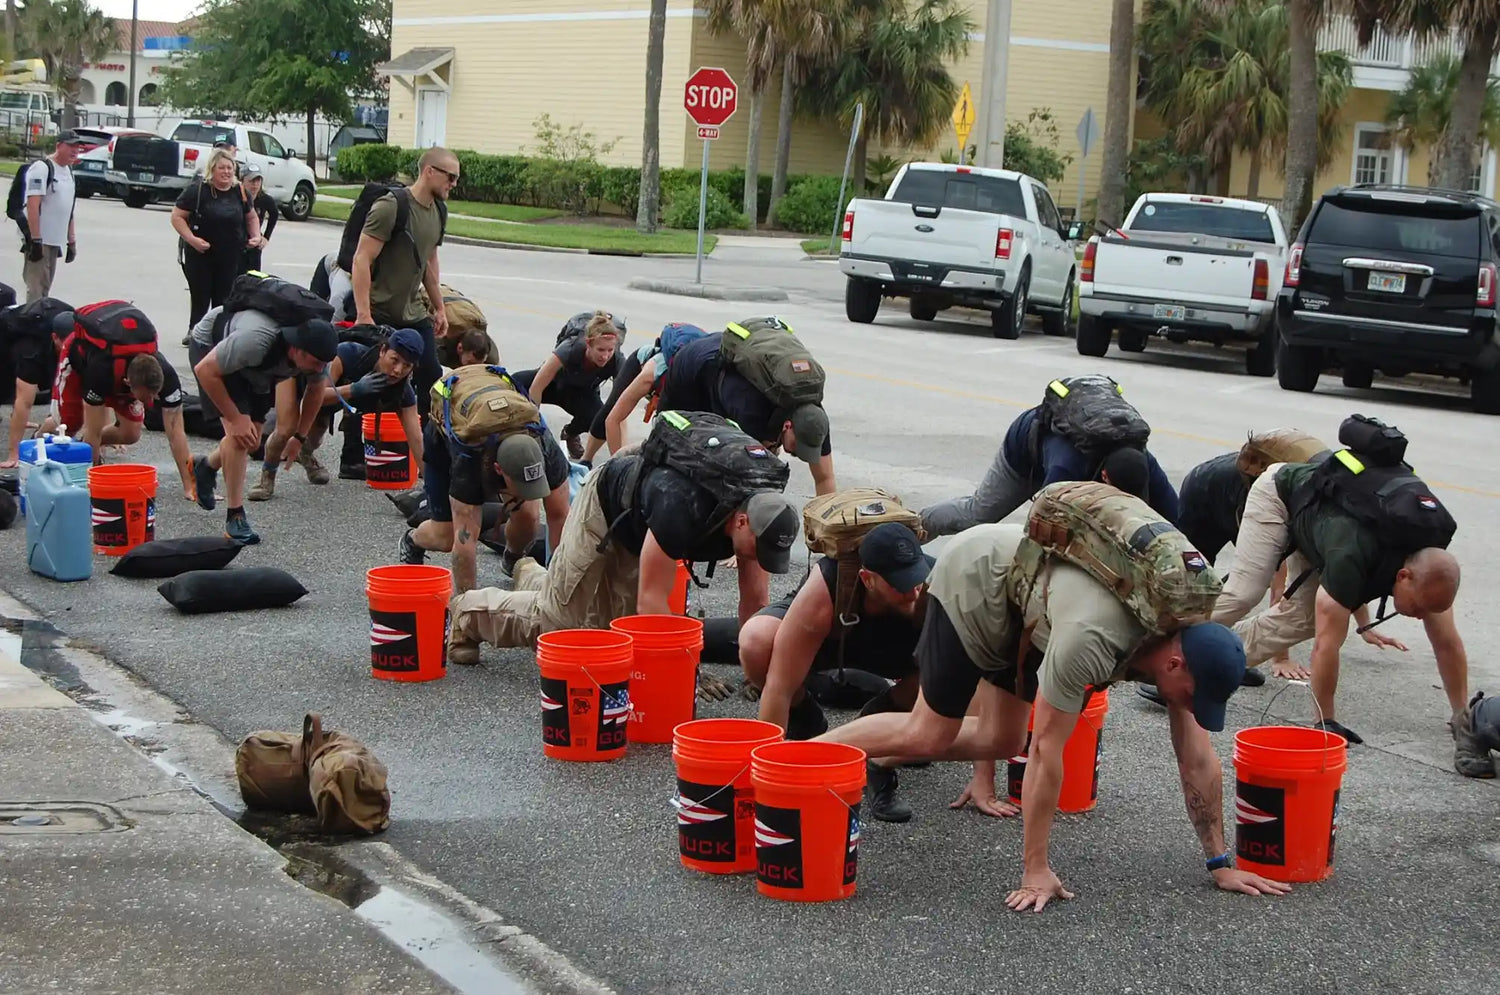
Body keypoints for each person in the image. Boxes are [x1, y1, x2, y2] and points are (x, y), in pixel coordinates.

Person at [814, 522, 1287, 911]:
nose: (1190, 707)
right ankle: (796, 759)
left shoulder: (1185, 632)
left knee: (1003, 740)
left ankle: (869, 755)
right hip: (978, 577)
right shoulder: (1091, 640)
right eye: (1191, 697)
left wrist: (1220, 862)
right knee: (929, 733)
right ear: (1174, 664)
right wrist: (1035, 869)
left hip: (1030, 607)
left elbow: (1198, 759)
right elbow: (1046, 751)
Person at [1207, 431, 1484, 775]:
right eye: (1417, 609)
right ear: (1403, 577)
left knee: (1299, 621)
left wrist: (1463, 718)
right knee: (1244, 593)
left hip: (1329, 519)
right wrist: (1327, 721)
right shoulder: (1352, 554)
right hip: (1282, 494)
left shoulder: (1430, 562)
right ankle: (1164, 630)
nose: (1419, 618)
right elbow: (1327, 645)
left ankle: (1202, 661)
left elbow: (1447, 643)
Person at [447, 412, 800, 664]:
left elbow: (755, 603)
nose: (759, 558)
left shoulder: (762, 512)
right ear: (741, 522)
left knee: (615, 636)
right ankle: (465, 612)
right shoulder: (680, 506)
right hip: (606, 507)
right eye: (758, 549)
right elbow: (652, 605)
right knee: (560, 625)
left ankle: (529, 571)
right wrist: (686, 669)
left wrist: (759, 675)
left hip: (642, 529)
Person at [736, 521, 933, 821]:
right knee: (756, 641)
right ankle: (807, 719)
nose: (913, 593)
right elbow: (778, 687)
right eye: (900, 584)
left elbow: (975, 675)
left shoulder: (935, 586)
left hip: (898, 649)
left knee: (936, 676)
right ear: (868, 579)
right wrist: (767, 782)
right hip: (835, 636)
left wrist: (982, 781)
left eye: (915, 580)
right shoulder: (827, 586)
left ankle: (876, 751)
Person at [920, 376, 1178, 538]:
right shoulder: (1067, 469)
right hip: (1026, 449)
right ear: (1103, 477)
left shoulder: (1144, 461)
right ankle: (913, 526)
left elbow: (1178, 522)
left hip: (1069, 455)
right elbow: (1039, 533)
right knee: (977, 516)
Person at [399, 366, 573, 593]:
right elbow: (465, 545)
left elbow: (559, 516)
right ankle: (413, 540)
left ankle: (513, 558)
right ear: (498, 470)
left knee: (529, 516)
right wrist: (468, 610)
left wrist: (556, 588)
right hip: (450, 431)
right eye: (520, 484)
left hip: (503, 417)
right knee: (447, 535)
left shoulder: (546, 448)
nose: (526, 490)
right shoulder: (470, 460)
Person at [186, 310, 336, 544]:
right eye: (315, 363)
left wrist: (299, 437)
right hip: (212, 348)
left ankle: (205, 466)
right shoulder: (256, 341)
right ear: (297, 350)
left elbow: (315, 391)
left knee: (254, 441)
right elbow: (205, 370)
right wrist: (235, 417)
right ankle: (235, 517)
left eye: (323, 364)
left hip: (258, 368)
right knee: (240, 437)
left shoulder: (315, 355)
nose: (319, 369)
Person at [656, 323, 836, 496]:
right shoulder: (753, 414)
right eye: (798, 446)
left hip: (733, 377)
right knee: (669, 443)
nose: (799, 453)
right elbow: (744, 480)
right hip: (695, 367)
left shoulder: (815, 420)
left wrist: (825, 522)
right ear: (787, 426)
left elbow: (824, 479)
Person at [350, 146, 456, 417]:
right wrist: (364, 315)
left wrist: (439, 307)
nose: (453, 184)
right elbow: (361, 259)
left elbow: (428, 261)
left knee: (431, 372)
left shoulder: (439, 212)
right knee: (373, 379)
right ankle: (354, 451)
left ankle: (421, 437)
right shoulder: (391, 206)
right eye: (450, 177)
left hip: (412, 312)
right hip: (380, 310)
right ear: (429, 172)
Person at [46, 312, 194, 500]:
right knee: (70, 423)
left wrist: (190, 486)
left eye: (155, 394)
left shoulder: (167, 376)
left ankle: (83, 450)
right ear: (128, 383)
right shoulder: (101, 372)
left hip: (121, 365)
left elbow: (176, 433)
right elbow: (94, 431)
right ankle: (40, 441)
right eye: (147, 397)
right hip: (80, 357)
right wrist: (92, 485)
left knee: (131, 433)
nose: (152, 401)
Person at [315, 326, 426, 489]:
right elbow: (313, 397)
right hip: (326, 395)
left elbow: (416, 440)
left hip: (354, 405)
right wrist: (354, 389)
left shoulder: (403, 391)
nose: (397, 371)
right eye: (394, 360)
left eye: (407, 366)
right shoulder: (348, 354)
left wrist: (434, 489)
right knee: (308, 439)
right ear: (383, 351)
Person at [583, 321, 706, 465]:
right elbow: (613, 420)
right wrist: (619, 468)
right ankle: (586, 459)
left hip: (675, 387)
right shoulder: (651, 374)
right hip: (641, 365)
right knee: (611, 409)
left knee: (670, 434)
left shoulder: (702, 385)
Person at [511, 311, 624, 461]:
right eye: (601, 350)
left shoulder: (617, 360)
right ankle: (513, 431)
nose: (605, 356)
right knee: (514, 382)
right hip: (554, 385)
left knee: (601, 417)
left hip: (580, 394)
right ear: (588, 344)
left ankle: (570, 433)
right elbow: (536, 388)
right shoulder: (570, 347)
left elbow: (621, 407)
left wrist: (620, 454)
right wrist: (535, 429)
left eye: (610, 350)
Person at [172, 148, 261, 330]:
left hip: (230, 256)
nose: (226, 172)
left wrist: (256, 236)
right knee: (200, 297)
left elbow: (251, 217)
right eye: (222, 168)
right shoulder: (197, 190)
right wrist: (192, 239)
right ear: (212, 169)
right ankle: (195, 332)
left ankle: (218, 333)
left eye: (230, 168)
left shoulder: (240, 192)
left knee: (224, 298)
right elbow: (177, 217)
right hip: (200, 255)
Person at [1, 297, 72, 467]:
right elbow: (24, 402)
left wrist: (105, 433)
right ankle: (16, 426)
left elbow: (94, 386)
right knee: (12, 388)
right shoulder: (32, 349)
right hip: (6, 331)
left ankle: (19, 420)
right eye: (66, 344)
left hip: (48, 316)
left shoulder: (81, 338)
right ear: (55, 338)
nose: (70, 347)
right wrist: (14, 454)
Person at [19, 131, 84, 302]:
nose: (74, 150)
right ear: (58, 145)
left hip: (55, 241)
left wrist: (71, 241)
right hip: (41, 240)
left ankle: (38, 323)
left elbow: (68, 209)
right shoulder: (42, 168)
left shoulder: (69, 171)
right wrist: (35, 239)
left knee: (45, 288)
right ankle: (31, 325)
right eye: (70, 146)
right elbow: (33, 204)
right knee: (36, 290)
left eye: (77, 147)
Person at [239, 164, 277, 274]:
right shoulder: (236, 197)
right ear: (242, 181)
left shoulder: (265, 199)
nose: (255, 185)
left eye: (258, 181)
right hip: (238, 244)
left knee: (253, 278)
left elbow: (274, 214)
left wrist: (266, 237)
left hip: (255, 243)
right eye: (251, 181)